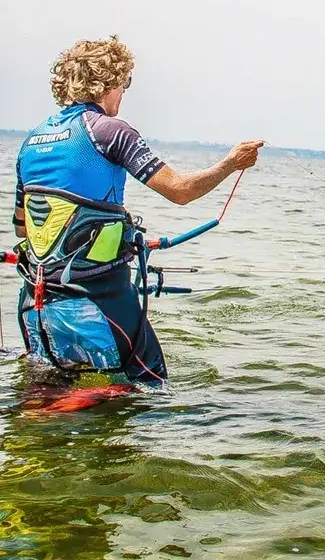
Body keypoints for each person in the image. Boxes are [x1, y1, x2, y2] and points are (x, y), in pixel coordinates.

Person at [10, 36, 263, 384]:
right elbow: (180, 191)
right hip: (100, 302)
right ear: (107, 81)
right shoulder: (109, 131)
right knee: (150, 390)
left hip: (38, 306)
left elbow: (23, 229)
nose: (125, 91)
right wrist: (231, 164)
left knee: (48, 394)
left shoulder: (31, 141)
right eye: (124, 82)